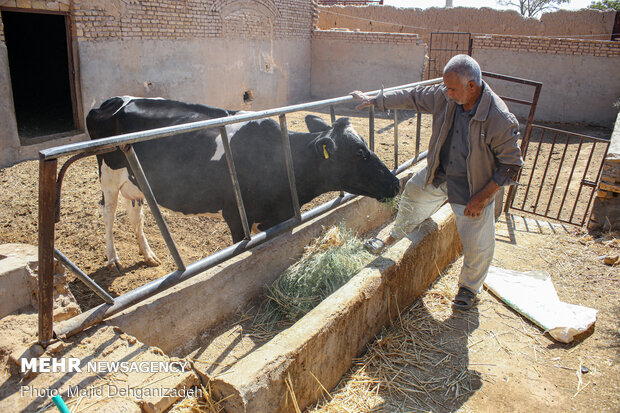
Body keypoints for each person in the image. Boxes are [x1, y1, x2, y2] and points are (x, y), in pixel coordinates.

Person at [351, 54, 523, 310]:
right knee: (412, 192)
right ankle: (397, 233)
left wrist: (482, 198)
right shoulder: (447, 96)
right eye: (445, 87)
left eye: (452, 88)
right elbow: (414, 96)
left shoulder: (498, 118)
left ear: (472, 86)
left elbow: (511, 166)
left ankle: (469, 288)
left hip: (472, 188)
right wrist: (377, 100)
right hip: (440, 173)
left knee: (478, 245)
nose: (447, 93)